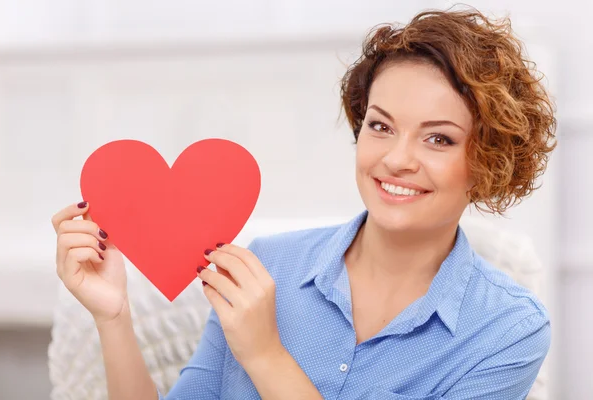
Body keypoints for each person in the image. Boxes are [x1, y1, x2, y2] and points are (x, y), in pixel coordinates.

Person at [51, 6, 557, 400]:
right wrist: (112, 316)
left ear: (489, 160)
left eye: (438, 139)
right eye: (380, 126)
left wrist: (266, 354)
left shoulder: (508, 330)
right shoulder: (266, 264)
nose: (396, 160)